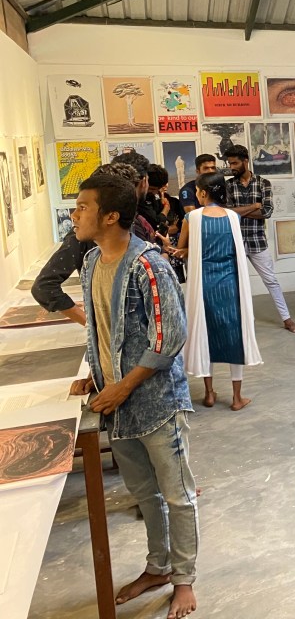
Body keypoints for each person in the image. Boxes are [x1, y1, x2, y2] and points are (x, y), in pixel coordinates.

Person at [68, 174, 198, 619]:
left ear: (110, 216)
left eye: (82, 207)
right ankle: (157, 567)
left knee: (177, 494)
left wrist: (122, 385)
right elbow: (100, 329)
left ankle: (184, 579)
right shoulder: (91, 262)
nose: (75, 215)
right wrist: (96, 375)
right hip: (118, 406)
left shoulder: (149, 266)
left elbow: (170, 338)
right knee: (145, 494)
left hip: (157, 403)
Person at [172, 172, 261, 411]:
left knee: (206, 333)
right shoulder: (233, 217)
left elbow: (183, 249)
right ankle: (237, 397)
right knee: (234, 335)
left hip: (204, 284)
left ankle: (209, 393)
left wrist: (176, 250)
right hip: (230, 283)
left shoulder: (191, 217)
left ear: (202, 192)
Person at [32, 163, 154, 324]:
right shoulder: (84, 243)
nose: (74, 216)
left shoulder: (138, 235)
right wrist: (90, 324)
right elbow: (44, 286)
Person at [224, 145, 295, 333]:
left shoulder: (263, 183)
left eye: (235, 163)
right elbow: (228, 213)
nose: (231, 167)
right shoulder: (229, 185)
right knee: (235, 283)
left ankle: (287, 319)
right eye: (230, 163)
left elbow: (266, 212)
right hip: (235, 242)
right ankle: (240, 323)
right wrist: (253, 206)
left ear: (245, 161)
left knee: (271, 281)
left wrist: (240, 211)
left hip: (257, 240)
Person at [149, 164, 186, 282]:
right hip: (157, 248)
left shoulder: (174, 202)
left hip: (173, 248)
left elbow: (179, 225)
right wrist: (165, 214)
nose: (164, 188)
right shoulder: (149, 203)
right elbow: (156, 226)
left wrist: (170, 226)